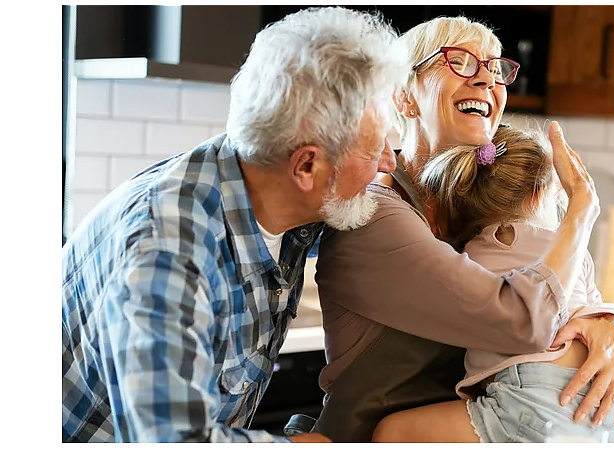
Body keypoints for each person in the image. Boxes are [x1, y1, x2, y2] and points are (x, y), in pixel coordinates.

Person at [61, 7, 408, 443]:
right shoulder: (168, 249)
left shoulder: (274, 190)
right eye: (375, 149)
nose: (388, 162)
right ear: (306, 166)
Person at [310, 16, 614, 442]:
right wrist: (581, 212)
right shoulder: (374, 212)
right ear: (404, 97)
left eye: (495, 68)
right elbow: (524, 320)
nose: (486, 79)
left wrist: (610, 323)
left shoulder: (490, 206)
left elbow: (570, 288)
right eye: (459, 61)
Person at [371, 124, 614, 443]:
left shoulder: (469, 253)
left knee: (392, 432)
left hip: (533, 397)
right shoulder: (573, 250)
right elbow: (600, 310)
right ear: (538, 196)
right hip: (607, 411)